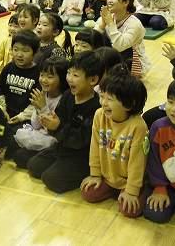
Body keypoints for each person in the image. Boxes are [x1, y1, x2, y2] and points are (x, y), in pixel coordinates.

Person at [27, 51, 104, 193]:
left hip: (81, 155)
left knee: (51, 179)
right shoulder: (68, 95)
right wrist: (50, 123)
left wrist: (57, 126)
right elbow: (57, 121)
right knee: (33, 166)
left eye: (75, 75)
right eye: (69, 73)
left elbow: (81, 139)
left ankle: (82, 173)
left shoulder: (96, 107)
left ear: (93, 80)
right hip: (62, 147)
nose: (69, 79)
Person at [81, 66, 148, 218]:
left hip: (129, 179)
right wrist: (95, 174)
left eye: (110, 99)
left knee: (129, 210)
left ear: (129, 104)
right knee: (88, 193)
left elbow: (138, 162)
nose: (103, 103)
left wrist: (131, 191)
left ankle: (137, 191)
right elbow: (95, 146)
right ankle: (114, 190)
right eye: (102, 96)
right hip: (108, 177)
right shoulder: (99, 115)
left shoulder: (138, 126)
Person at [144, 75, 175, 227]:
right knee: (155, 213)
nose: (174, 109)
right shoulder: (158, 127)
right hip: (167, 185)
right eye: (170, 102)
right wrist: (159, 187)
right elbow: (154, 160)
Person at [13, 57, 69, 168]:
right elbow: (35, 125)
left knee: (23, 158)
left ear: (62, 78)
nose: (44, 80)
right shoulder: (42, 94)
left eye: (50, 77)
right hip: (39, 133)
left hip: (52, 139)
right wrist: (38, 108)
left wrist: (43, 107)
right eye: (42, 75)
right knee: (13, 146)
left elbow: (52, 130)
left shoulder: (64, 99)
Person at [95, 0, 150, 76]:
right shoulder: (108, 16)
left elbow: (120, 46)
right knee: (100, 37)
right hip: (111, 56)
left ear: (126, 2)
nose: (109, 1)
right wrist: (102, 25)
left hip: (131, 60)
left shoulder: (134, 24)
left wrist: (110, 23)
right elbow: (92, 39)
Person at [0, 30, 41, 122]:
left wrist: (22, 116)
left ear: (35, 52)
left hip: (27, 118)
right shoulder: (7, 68)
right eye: (15, 49)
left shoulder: (38, 73)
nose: (19, 55)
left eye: (25, 51)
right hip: (5, 115)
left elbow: (37, 101)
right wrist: (3, 109)